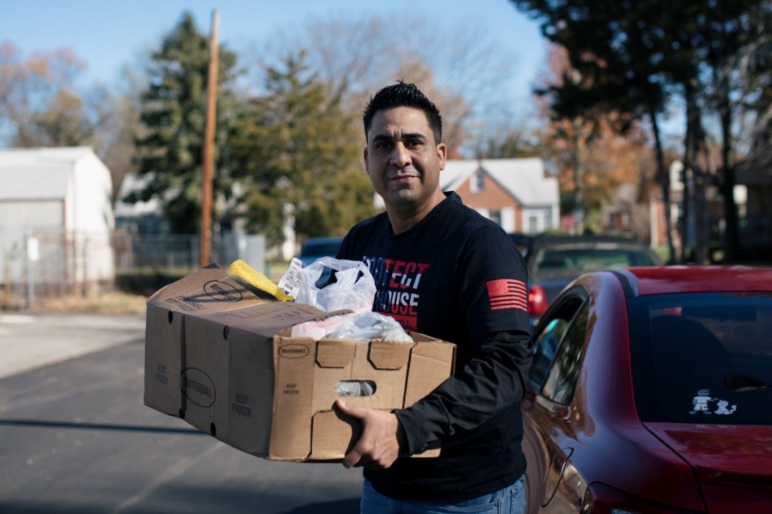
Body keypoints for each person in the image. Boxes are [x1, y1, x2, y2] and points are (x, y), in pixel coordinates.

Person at [333, 81, 533, 513]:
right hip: (382, 485)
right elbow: (331, 342)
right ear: (367, 160)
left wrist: (406, 429)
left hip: (469, 495)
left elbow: (507, 366)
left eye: (413, 142)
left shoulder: (481, 246)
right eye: (383, 144)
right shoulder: (360, 242)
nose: (399, 156)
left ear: (440, 157)